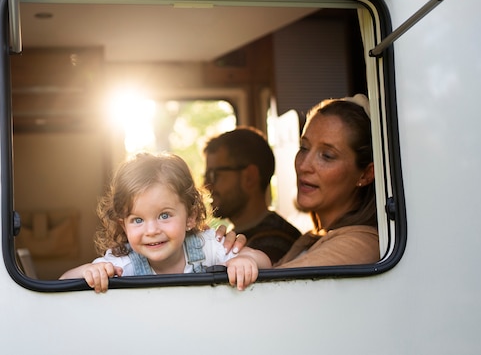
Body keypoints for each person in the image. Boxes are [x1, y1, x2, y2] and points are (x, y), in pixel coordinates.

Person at [60, 152, 271, 292]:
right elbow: (64, 282)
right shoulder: (122, 265)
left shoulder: (207, 245)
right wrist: (90, 271)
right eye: (138, 220)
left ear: (191, 217)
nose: (151, 230)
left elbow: (264, 261)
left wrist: (245, 261)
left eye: (164, 215)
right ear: (123, 225)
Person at [275, 94, 379, 267]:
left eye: (327, 156)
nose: (304, 166)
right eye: (304, 148)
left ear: (366, 174)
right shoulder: (311, 238)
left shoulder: (358, 245)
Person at [203, 127, 301, 264]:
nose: (206, 185)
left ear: (249, 177)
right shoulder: (231, 237)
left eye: (214, 175)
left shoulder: (274, 243)